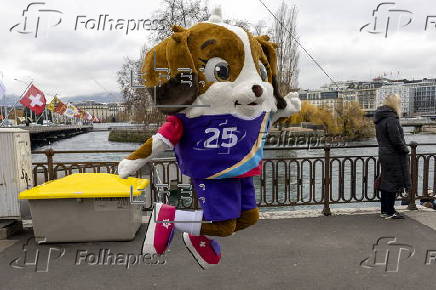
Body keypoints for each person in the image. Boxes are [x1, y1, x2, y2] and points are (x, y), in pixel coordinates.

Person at [374, 94, 411, 219]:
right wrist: (405, 149)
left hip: (384, 154)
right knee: (393, 183)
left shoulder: (381, 118)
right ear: (395, 103)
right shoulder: (391, 119)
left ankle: (385, 210)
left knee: (386, 182)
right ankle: (390, 212)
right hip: (393, 155)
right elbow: (396, 139)